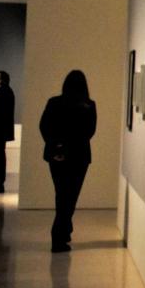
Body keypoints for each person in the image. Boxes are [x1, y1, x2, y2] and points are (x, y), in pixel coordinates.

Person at [40, 70, 97, 253]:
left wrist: (57, 146)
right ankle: (59, 235)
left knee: (62, 194)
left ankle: (64, 230)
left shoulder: (54, 102)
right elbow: (89, 132)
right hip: (79, 156)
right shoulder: (88, 105)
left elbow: (44, 126)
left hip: (57, 155)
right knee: (70, 196)